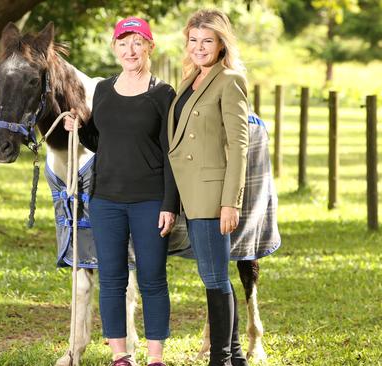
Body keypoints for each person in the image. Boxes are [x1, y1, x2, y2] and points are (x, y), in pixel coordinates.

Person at [64, 16, 178, 366]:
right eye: (123, 43)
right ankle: (120, 355)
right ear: (115, 48)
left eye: (137, 42)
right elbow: (101, 142)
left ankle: (155, 356)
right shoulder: (103, 91)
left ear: (149, 47)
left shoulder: (163, 94)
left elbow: (172, 152)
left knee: (152, 278)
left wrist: (169, 204)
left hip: (149, 200)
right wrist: (78, 128)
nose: (131, 50)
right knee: (112, 279)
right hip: (106, 199)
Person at [167, 9, 249, 366]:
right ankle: (233, 356)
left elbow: (239, 145)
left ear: (221, 45)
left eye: (207, 41)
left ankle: (221, 358)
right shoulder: (191, 80)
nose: (199, 47)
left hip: (212, 196)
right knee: (213, 276)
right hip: (189, 194)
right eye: (194, 40)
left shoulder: (229, 80)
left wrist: (230, 202)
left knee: (215, 277)